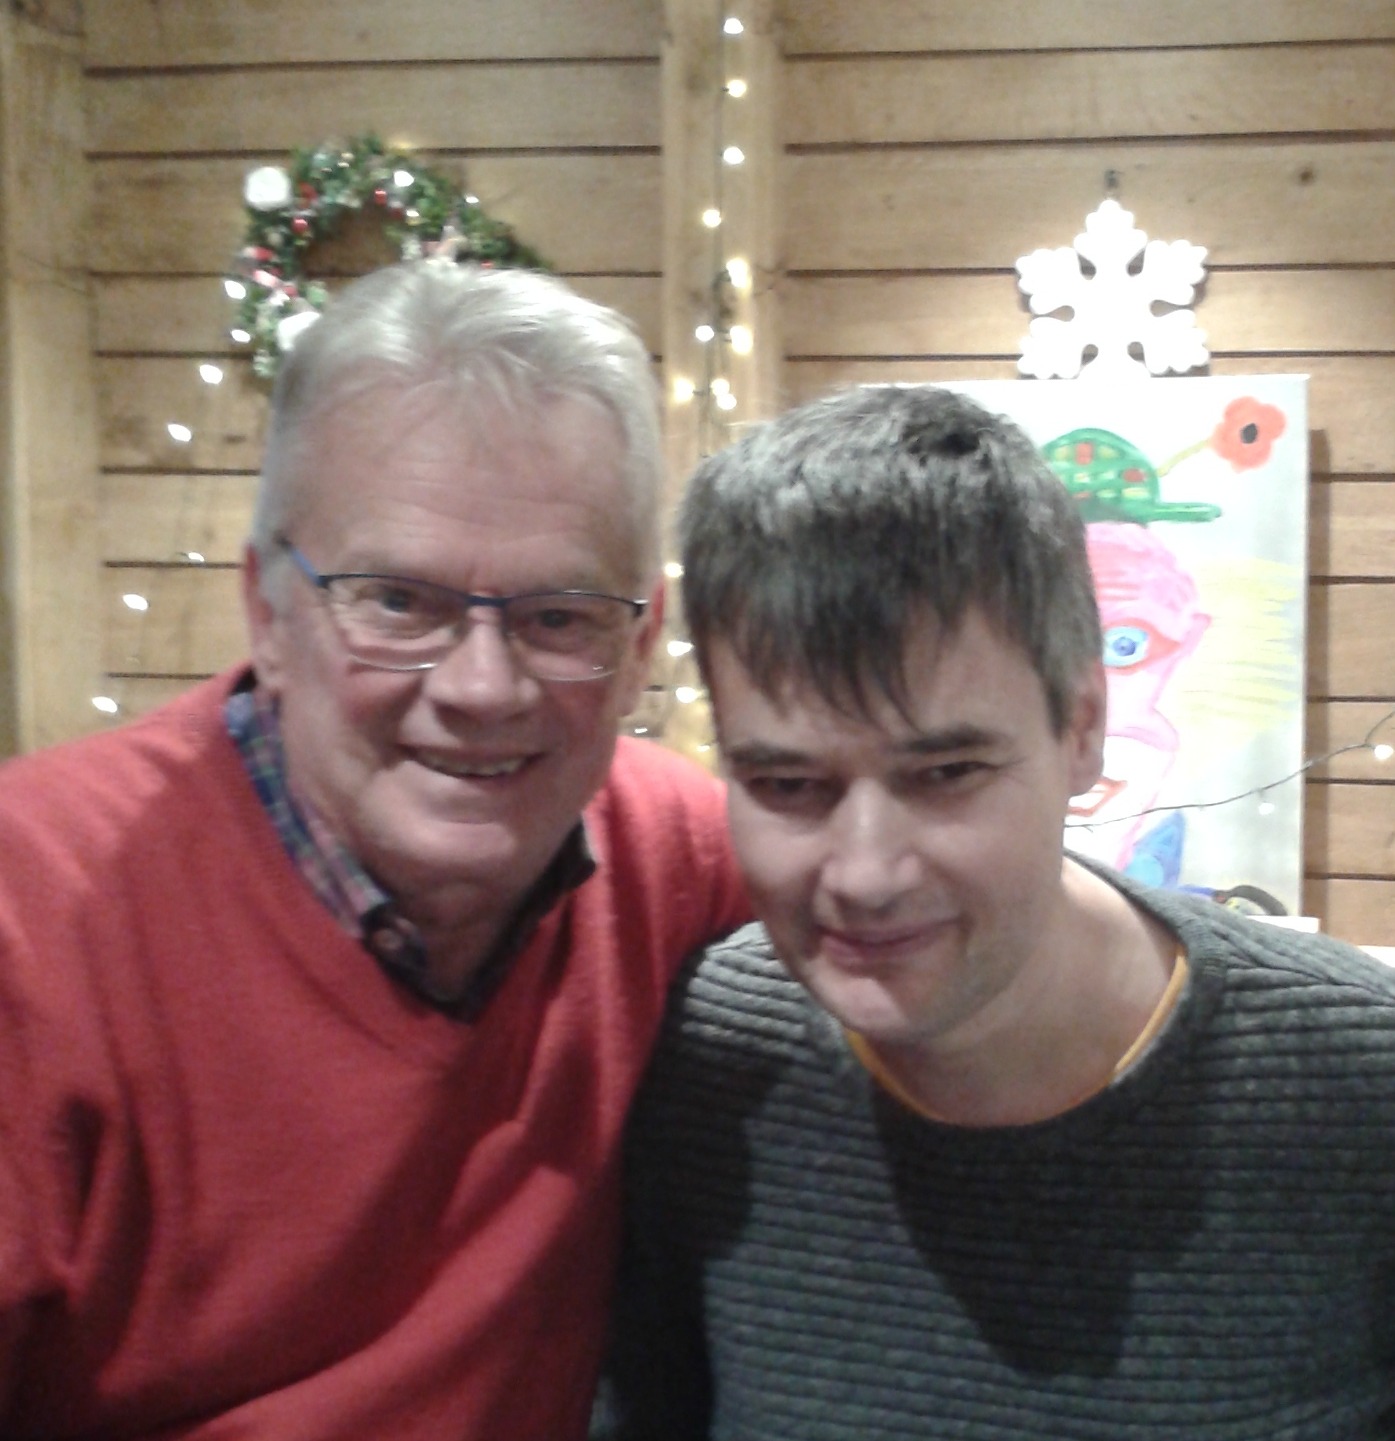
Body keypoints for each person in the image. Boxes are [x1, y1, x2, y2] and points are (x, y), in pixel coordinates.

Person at [0, 261, 749, 1440]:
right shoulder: (31, 920)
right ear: (269, 611)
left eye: (559, 616)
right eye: (398, 602)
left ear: (642, 642)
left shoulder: (678, 858)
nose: (483, 687)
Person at [597, 384, 1395, 1440]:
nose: (865, 873)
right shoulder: (701, 1065)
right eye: (788, 784)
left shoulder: (1359, 1088)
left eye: (946, 773)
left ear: (1083, 727)